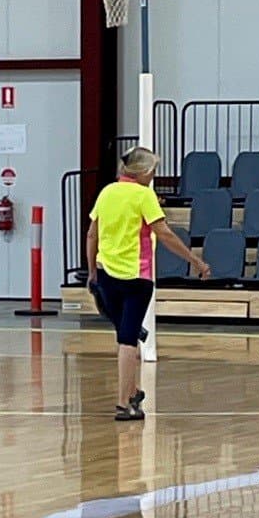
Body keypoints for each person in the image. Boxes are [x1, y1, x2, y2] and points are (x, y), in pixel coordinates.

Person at [86, 146, 209, 421]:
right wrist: (194, 261)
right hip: (137, 277)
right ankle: (122, 403)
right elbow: (164, 234)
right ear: (143, 172)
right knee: (128, 340)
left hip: (107, 274)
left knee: (125, 335)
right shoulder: (144, 195)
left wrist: (92, 270)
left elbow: (92, 234)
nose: (154, 175)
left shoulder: (107, 192)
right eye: (153, 170)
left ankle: (135, 392)